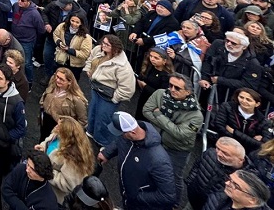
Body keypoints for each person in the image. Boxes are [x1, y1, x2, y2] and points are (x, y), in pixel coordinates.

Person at [142, 72, 203, 201]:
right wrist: (171, 126)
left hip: (177, 150)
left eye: (177, 88)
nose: (172, 90)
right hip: (156, 141)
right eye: (170, 85)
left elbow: (179, 134)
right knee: (151, 169)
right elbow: (146, 111)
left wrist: (158, 115)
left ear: (188, 92)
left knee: (173, 177)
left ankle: (174, 203)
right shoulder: (160, 93)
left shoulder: (196, 115)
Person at [97, 111, 176, 210]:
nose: (121, 135)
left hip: (142, 206)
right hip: (128, 198)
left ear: (132, 133)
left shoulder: (159, 160)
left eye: (122, 133)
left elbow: (168, 196)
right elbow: (119, 141)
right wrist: (106, 153)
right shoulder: (129, 135)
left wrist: (136, 197)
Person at [84, 34, 136, 147]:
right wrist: (88, 69)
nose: (103, 46)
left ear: (115, 48)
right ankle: (91, 131)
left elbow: (128, 88)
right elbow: (90, 59)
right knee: (92, 112)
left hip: (108, 96)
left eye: (107, 44)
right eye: (103, 42)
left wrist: (115, 98)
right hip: (96, 89)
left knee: (103, 119)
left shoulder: (123, 67)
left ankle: (102, 141)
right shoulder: (98, 50)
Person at [34, 116, 94, 203]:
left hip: (53, 196)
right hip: (43, 185)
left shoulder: (73, 157)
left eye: (59, 126)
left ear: (66, 133)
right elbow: (47, 143)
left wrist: (45, 171)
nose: (55, 127)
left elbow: (69, 184)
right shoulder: (57, 135)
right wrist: (42, 147)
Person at [186, 137, 249, 210]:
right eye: (218, 148)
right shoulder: (210, 153)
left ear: (240, 160)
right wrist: (189, 183)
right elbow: (197, 166)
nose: (218, 154)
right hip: (192, 200)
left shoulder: (245, 179)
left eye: (225, 153)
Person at [39, 67, 89, 140]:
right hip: (45, 119)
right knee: (43, 140)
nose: (58, 80)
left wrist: (70, 133)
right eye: (57, 77)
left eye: (61, 79)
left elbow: (82, 122)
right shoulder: (52, 84)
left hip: (60, 127)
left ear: (69, 82)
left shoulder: (77, 100)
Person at [212, 87, 267, 152]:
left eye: (248, 100)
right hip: (224, 144)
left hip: (246, 151)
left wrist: (234, 132)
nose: (243, 101)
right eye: (241, 97)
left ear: (257, 104)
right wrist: (246, 139)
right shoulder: (227, 106)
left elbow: (261, 144)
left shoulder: (261, 119)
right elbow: (219, 126)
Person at [52, 12, 92, 81]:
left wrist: (68, 50)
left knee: (71, 84)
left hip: (75, 66)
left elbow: (85, 54)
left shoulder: (86, 36)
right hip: (60, 60)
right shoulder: (62, 26)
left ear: (81, 23)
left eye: (77, 22)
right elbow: (55, 34)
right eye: (72, 21)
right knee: (58, 80)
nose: (74, 24)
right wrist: (59, 42)